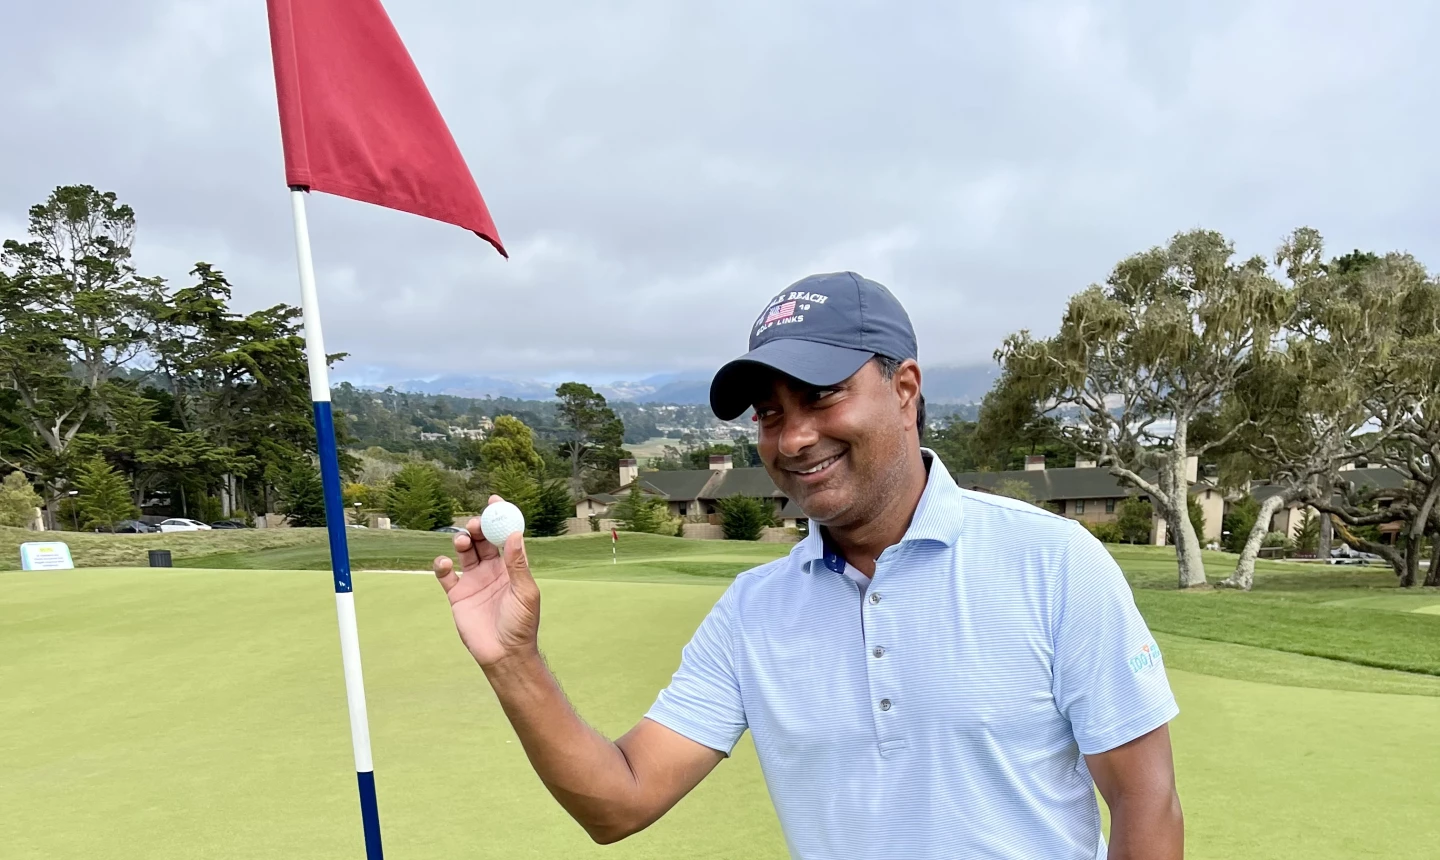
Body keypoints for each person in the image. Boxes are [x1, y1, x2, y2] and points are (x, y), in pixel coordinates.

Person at [433, 272, 1184, 859]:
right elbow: (619, 802)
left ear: (905, 390)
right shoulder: (752, 610)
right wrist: (513, 662)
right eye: (769, 412)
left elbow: (1146, 807)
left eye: (822, 396)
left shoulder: (1054, 564)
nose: (793, 438)